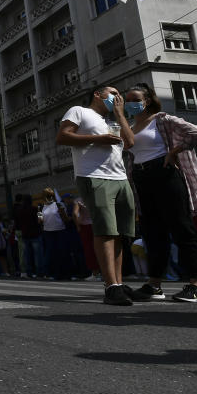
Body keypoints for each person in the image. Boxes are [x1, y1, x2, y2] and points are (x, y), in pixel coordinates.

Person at [122, 83, 197, 303]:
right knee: (152, 233)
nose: (129, 103)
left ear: (147, 100)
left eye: (134, 99)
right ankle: (154, 285)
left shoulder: (163, 120)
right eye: (127, 99)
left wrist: (174, 151)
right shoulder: (131, 126)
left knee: (181, 229)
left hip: (164, 173)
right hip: (142, 179)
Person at [56, 85, 135, 306]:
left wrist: (120, 114)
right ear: (97, 95)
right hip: (94, 176)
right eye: (112, 93)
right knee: (105, 231)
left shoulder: (115, 120)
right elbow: (62, 137)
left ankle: (118, 283)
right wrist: (97, 139)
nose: (116, 97)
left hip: (120, 178)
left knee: (119, 233)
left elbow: (129, 143)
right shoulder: (80, 111)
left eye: (119, 95)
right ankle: (110, 286)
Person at [40, 188, 71, 280]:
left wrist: (62, 212)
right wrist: (39, 216)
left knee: (62, 252)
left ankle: (66, 273)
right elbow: (40, 221)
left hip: (60, 230)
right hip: (48, 232)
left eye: (50, 196)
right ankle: (54, 273)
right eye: (47, 196)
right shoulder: (41, 207)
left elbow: (65, 219)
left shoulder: (58, 205)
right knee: (52, 253)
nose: (48, 198)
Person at [15, 194, 44, 279]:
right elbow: (40, 220)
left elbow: (18, 224)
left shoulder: (19, 210)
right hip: (35, 234)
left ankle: (29, 272)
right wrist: (40, 210)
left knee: (27, 255)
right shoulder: (35, 209)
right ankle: (40, 273)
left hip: (25, 234)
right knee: (38, 255)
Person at [72, 197, 101, 281]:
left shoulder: (79, 200)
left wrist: (77, 226)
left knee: (90, 250)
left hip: (86, 227)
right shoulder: (96, 196)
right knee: (101, 249)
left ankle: (96, 274)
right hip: (98, 225)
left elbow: (74, 213)